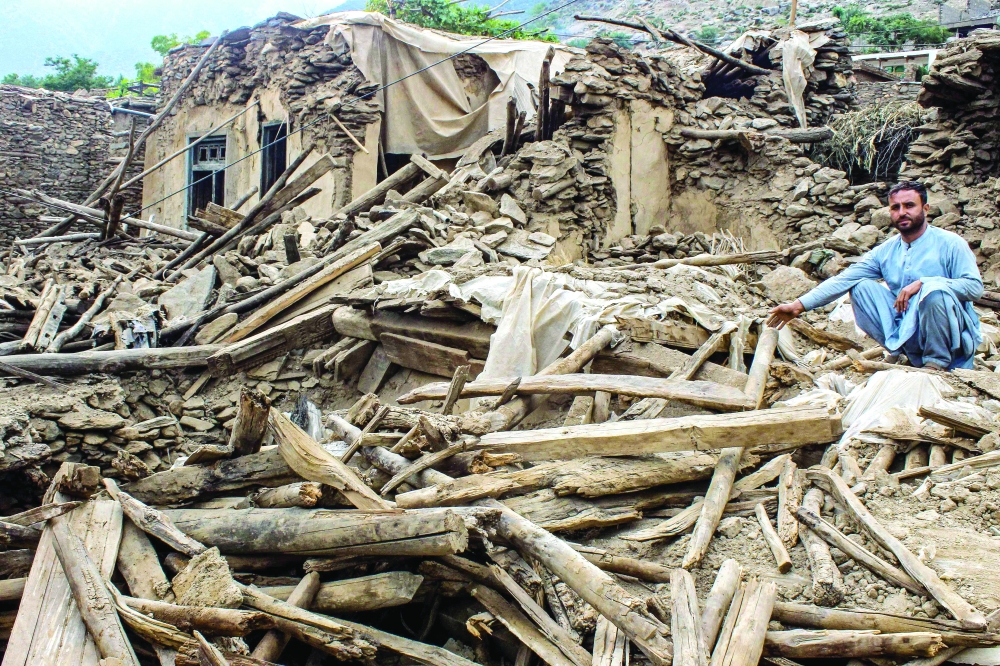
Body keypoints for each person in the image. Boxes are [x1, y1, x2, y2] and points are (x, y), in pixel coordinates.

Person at [767, 181, 983, 370]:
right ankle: (903, 352)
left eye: (909, 206)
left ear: (925, 208)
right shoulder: (886, 250)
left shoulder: (951, 243)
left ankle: (937, 363)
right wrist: (798, 305)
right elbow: (844, 278)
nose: (902, 212)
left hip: (951, 338)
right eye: (895, 207)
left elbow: (974, 288)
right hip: (910, 329)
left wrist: (924, 283)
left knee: (935, 293)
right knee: (860, 288)